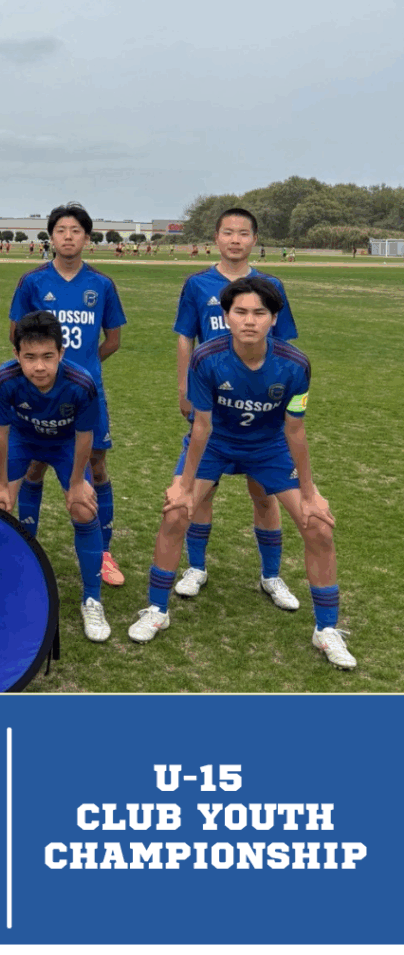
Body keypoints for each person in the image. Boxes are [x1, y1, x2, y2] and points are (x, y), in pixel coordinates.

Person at [129, 277, 354, 670]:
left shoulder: (296, 364)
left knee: (318, 526)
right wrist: (184, 486)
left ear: (274, 318)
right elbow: (201, 426)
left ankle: (327, 629)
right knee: (175, 513)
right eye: (241, 312)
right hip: (216, 444)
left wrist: (310, 492)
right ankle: (156, 610)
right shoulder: (206, 358)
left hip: (269, 449)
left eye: (260, 313)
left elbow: (295, 430)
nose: (250, 321)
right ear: (226, 316)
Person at [172, 208, 299, 607]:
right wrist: (183, 387)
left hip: (261, 404)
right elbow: (185, 337)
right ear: (216, 237)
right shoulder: (197, 284)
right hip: (211, 399)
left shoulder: (271, 285)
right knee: (202, 491)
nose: (235, 240)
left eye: (243, 233)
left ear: (254, 240)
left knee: (264, 493)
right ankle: (196, 567)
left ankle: (271, 575)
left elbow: (285, 344)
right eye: (228, 232)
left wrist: (281, 396)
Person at [8, 203, 127, 586]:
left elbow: (113, 340)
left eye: (76, 230)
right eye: (61, 230)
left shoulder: (101, 284)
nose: (68, 236)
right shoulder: (33, 282)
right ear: (52, 236)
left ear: (87, 238)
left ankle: (104, 553)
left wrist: (80, 372)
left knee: (96, 466)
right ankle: (27, 548)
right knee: (34, 465)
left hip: (87, 395)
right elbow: (16, 335)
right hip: (39, 394)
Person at [0, 311, 110, 642]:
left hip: (65, 443)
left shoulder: (81, 383)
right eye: (30, 357)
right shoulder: (4, 379)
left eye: (47, 356)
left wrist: (77, 484)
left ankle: (92, 599)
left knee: (83, 509)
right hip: (23, 439)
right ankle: (5, 584)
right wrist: (0, 482)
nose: (39, 366)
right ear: (16, 354)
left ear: (61, 353)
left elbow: (85, 436)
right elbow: (0, 432)